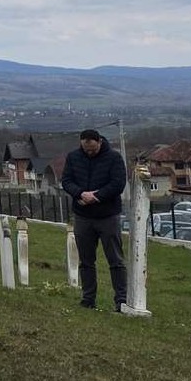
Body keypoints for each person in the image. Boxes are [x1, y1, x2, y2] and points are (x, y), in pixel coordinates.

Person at [61, 127, 128, 309]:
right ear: (81, 144)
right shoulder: (74, 157)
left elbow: (118, 183)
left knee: (115, 260)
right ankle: (88, 298)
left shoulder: (113, 158)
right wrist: (80, 193)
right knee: (86, 261)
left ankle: (121, 300)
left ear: (99, 142)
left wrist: (96, 196)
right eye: (86, 149)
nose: (89, 152)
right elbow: (66, 181)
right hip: (83, 216)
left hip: (107, 216)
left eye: (92, 149)